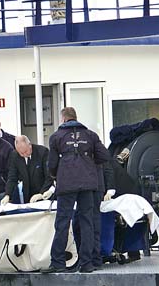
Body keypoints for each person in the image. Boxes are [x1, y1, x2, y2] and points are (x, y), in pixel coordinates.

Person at [44, 107, 110, 273]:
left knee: (62, 222)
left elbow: (51, 164)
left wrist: (56, 174)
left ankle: (58, 262)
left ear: (64, 120)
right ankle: (86, 263)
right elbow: (104, 156)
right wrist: (88, 161)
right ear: (75, 118)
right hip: (88, 183)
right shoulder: (90, 135)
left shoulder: (56, 137)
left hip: (66, 184)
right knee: (87, 222)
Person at [0, 134, 54, 206]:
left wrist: (41, 194)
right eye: (21, 153)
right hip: (28, 195)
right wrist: (7, 195)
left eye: (26, 151)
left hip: (44, 193)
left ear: (30, 145)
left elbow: (49, 176)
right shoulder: (15, 156)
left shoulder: (43, 152)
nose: (24, 154)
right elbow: (12, 177)